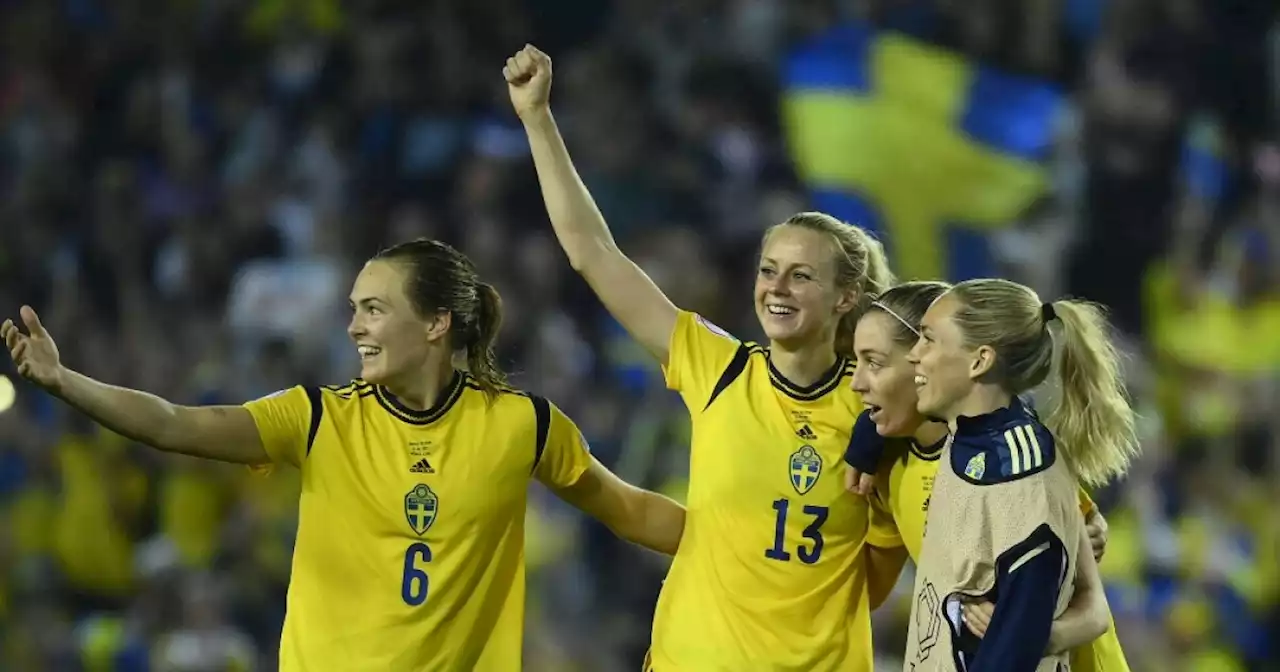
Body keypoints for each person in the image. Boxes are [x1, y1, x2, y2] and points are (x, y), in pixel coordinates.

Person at [1, 238, 687, 671]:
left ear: (436, 323)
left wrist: (743, 541)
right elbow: (175, 424)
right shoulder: (318, 417)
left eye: (374, 309)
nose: (354, 325)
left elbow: (630, 511)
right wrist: (67, 383)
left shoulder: (523, 425)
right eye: (354, 308)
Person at [506, 44, 898, 671]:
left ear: (846, 296)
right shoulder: (718, 366)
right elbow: (593, 252)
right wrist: (538, 120)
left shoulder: (881, 408)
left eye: (801, 276)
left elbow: (886, 572)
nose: (776, 288)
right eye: (769, 271)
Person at [846, 281, 1131, 670]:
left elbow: (1090, 605)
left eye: (875, 363)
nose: (856, 381)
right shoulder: (907, 460)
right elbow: (870, 592)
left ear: (977, 361)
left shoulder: (1017, 469)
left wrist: (1026, 633)